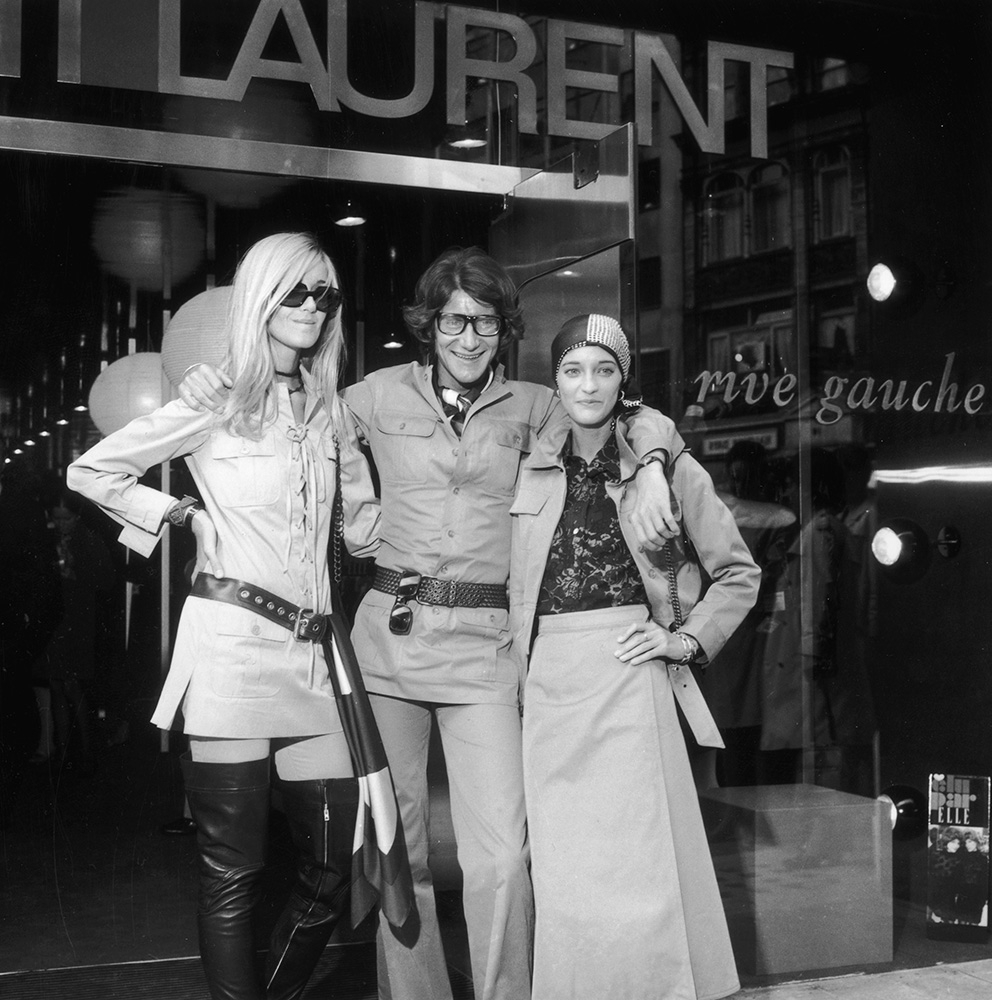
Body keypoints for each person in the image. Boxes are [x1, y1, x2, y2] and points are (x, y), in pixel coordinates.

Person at [179, 246, 682, 1000]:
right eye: (454, 321)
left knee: (500, 858)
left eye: (484, 322)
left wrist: (648, 466)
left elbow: (629, 417)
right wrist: (208, 385)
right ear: (430, 325)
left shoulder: (539, 405)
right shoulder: (373, 396)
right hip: (388, 643)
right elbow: (278, 409)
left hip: (487, 653)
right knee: (397, 850)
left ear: (503, 328)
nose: (469, 338)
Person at [68, 232, 411, 1000]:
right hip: (230, 652)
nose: (313, 309)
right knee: (233, 871)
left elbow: (359, 533)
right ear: (261, 298)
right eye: (296, 292)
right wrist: (177, 511)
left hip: (317, 660)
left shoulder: (330, 411)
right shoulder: (213, 397)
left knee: (331, 865)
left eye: (325, 296)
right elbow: (90, 470)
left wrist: (358, 470)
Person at [508, 314, 760, 1000]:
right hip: (549, 684)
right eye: (572, 369)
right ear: (554, 379)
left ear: (625, 382)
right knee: (565, 874)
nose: (588, 385)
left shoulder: (668, 465)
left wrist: (684, 638)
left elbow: (739, 573)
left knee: (641, 873)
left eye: (604, 369)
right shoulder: (527, 456)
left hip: (629, 679)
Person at [30, 489, 116, 770]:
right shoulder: (49, 540)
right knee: (56, 685)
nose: (61, 524)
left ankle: (86, 748)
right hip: (55, 622)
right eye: (56, 518)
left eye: (66, 518)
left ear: (77, 517)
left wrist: (76, 573)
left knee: (72, 685)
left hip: (78, 621)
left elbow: (105, 581)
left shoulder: (88, 541)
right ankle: (65, 750)